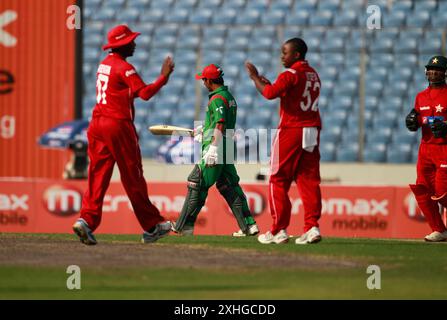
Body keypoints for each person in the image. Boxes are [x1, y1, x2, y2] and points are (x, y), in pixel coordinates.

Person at [72, 25, 175, 245]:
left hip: (97, 124)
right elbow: (145, 94)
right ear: (123, 44)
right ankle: (152, 226)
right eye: (131, 41)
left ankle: (86, 221)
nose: (135, 43)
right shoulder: (124, 68)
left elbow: (121, 93)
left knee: (97, 175)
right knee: (132, 175)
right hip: (117, 125)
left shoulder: (104, 65)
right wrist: (163, 78)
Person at [246, 38, 322, 245]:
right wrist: (269, 83)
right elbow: (291, 95)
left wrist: (255, 78)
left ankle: (279, 230)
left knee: (277, 179)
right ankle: (312, 227)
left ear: (296, 54)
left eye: (285, 52)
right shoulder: (313, 74)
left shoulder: (290, 74)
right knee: (308, 180)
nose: (282, 56)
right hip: (312, 129)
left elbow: (270, 94)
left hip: (291, 129)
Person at [172, 64, 259, 237]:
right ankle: (249, 226)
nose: (203, 83)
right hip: (226, 144)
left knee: (196, 182)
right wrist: (204, 130)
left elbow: (220, 122)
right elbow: (218, 122)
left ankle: (183, 227)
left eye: (204, 79)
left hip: (217, 146)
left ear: (210, 81)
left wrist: (212, 148)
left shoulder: (217, 98)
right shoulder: (228, 96)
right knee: (230, 186)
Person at [405, 55, 447, 242]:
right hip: (425, 149)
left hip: (445, 149)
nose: (433, 72)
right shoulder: (420, 96)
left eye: (438, 70)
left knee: (442, 192)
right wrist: (411, 122)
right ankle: (439, 230)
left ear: (445, 72)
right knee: (422, 191)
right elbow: (417, 117)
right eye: (431, 69)